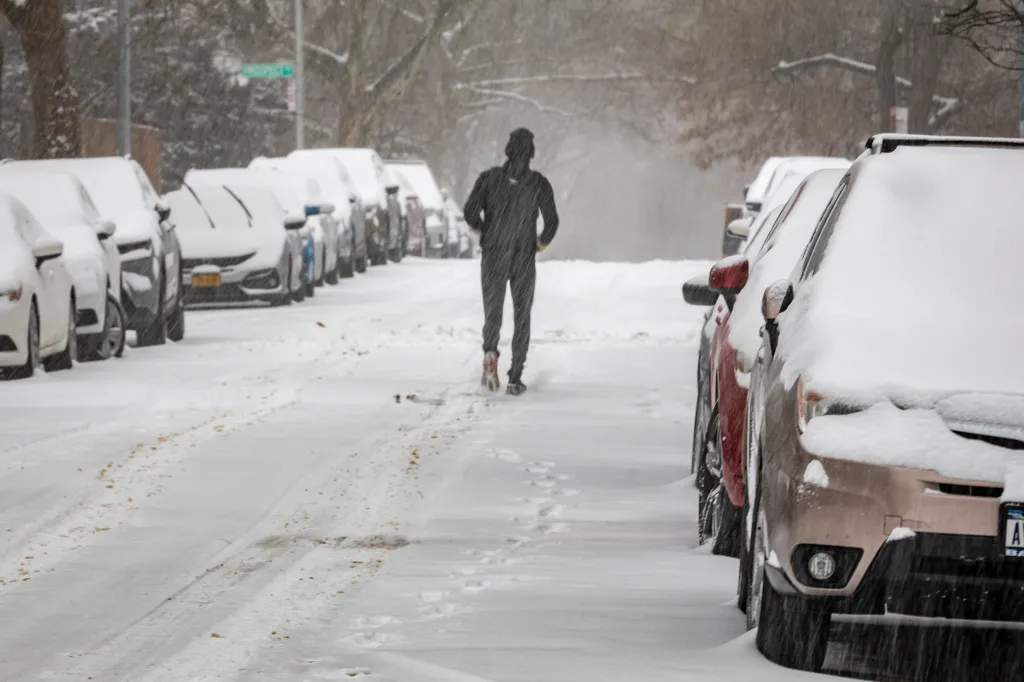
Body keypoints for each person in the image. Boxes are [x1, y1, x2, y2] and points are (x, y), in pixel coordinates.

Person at [463, 128, 559, 396]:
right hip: (523, 257)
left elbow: (470, 212)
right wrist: (538, 243)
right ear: (531, 153)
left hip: (494, 254)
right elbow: (552, 222)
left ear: (508, 150)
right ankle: (515, 376)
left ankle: (491, 352)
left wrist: (486, 231)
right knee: (522, 314)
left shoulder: (489, 179)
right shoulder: (539, 184)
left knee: (493, 312)